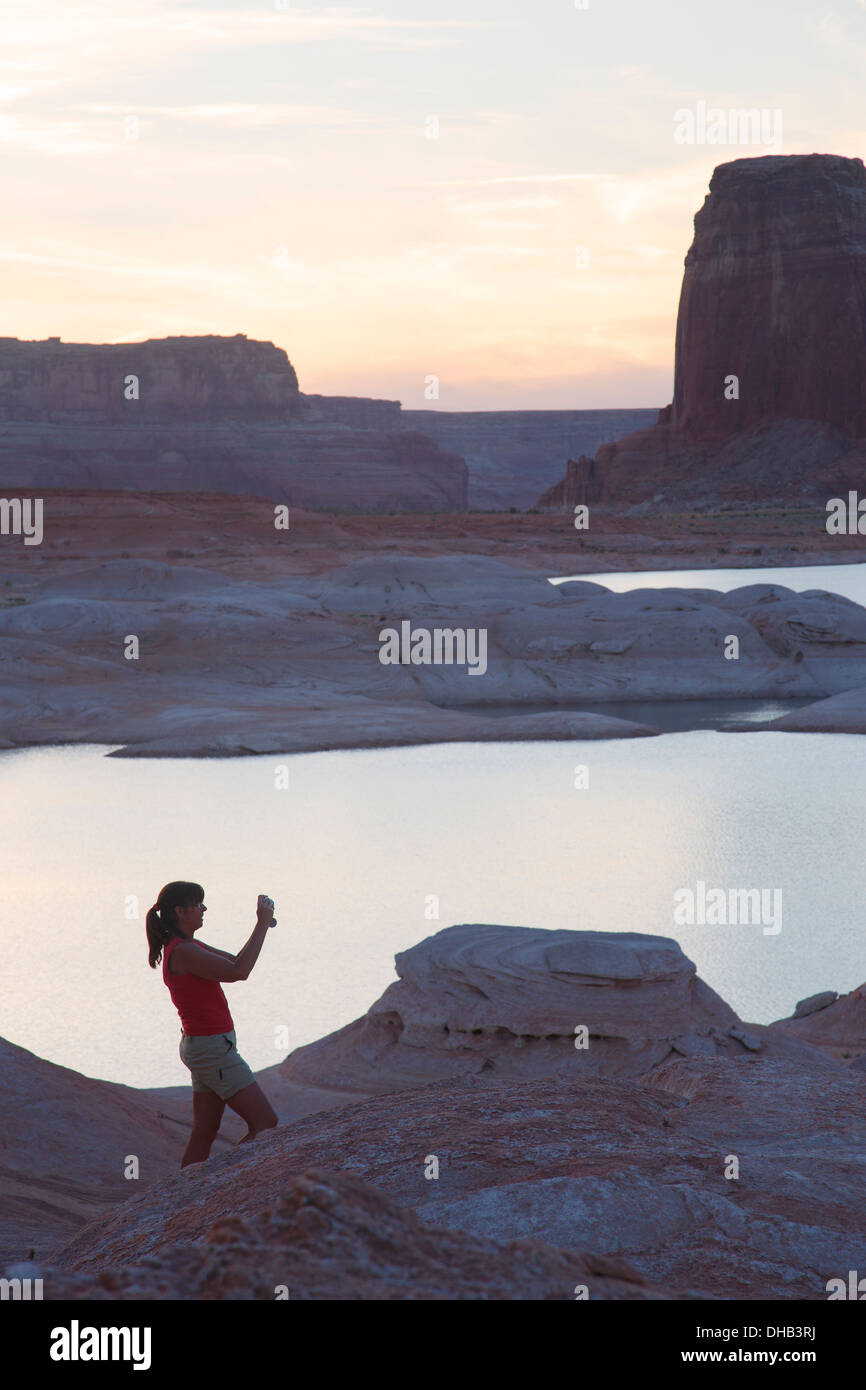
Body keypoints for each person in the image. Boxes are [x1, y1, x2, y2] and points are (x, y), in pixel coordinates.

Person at [146, 881, 279, 1168]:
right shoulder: (183, 952)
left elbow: (234, 961)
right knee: (266, 1123)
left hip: (204, 1046)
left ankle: (181, 1194)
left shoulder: (187, 946)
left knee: (204, 1131)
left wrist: (261, 926)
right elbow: (240, 972)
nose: (204, 909)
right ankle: (221, 1181)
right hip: (212, 1050)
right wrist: (262, 923)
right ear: (180, 911)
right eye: (198, 904)